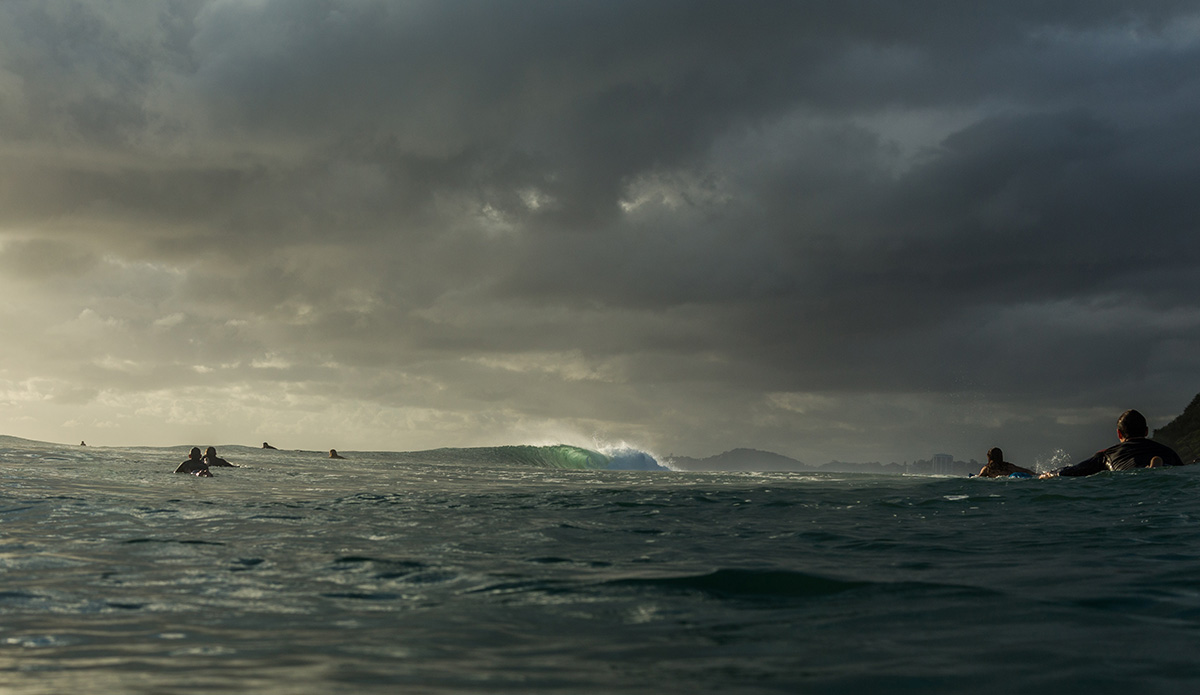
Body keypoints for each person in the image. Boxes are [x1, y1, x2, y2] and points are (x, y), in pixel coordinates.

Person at [1040, 409, 1185, 478]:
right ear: (1146, 431)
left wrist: (1051, 474)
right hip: (1162, 470)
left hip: (1128, 476)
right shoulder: (1168, 451)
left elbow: (1075, 471)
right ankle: (1151, 468)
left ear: (1119, 434)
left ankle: (1149, 470)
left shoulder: (1107, 455)